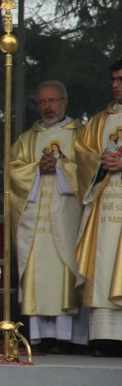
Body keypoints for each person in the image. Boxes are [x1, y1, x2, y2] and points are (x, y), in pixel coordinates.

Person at [10, 80, 87, 353]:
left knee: (65, 271)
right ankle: (40, 336)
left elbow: (89, 168)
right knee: (38, 272)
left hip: (66, 217)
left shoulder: (81, 134)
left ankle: (68, 337)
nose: (47, 107)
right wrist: (37, 169)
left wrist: (62, 166)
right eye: (42, 102)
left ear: (64, 101)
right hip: (36, 220)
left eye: (53, 101)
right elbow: (14, 171)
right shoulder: (27, 138)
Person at [74, 59, 122, 358]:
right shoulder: (98, 122)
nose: (116, 84)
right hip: (106, 205)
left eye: (121, 79)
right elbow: (80, 156)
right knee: (104, 262)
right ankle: (105, 338)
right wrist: (98, 163)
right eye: (114, 79)